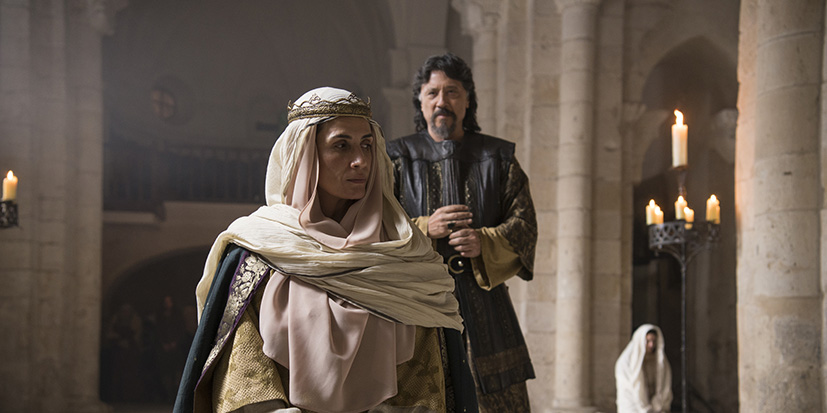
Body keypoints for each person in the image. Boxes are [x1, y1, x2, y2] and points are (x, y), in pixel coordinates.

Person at [174, 87, 467, 413]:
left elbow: (428, 383)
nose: (360, 161)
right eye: (341, 145)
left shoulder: (407, 257)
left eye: (367, 145)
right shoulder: (259, 254)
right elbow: (243, 377)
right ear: (304, 154)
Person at [387, 53, 537, 412]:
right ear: (420, 102)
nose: (442, 101)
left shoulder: (498, 158)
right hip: (418, 306)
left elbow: (525, 225)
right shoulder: (396, 159)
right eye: (433, 93)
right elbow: (374, 227)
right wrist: (424, 228)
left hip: (488, 312)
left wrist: (483, 242)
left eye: (452, 91)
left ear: (467, 100)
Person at [615, 324, 673, 413]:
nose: (651, 345)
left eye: (654, 341)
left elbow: (664, 384)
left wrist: (658, 404)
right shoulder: (625, 362)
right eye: (648, 341)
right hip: (633, 407)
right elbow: (631, 388)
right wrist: (644, 407)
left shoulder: (660, 361)